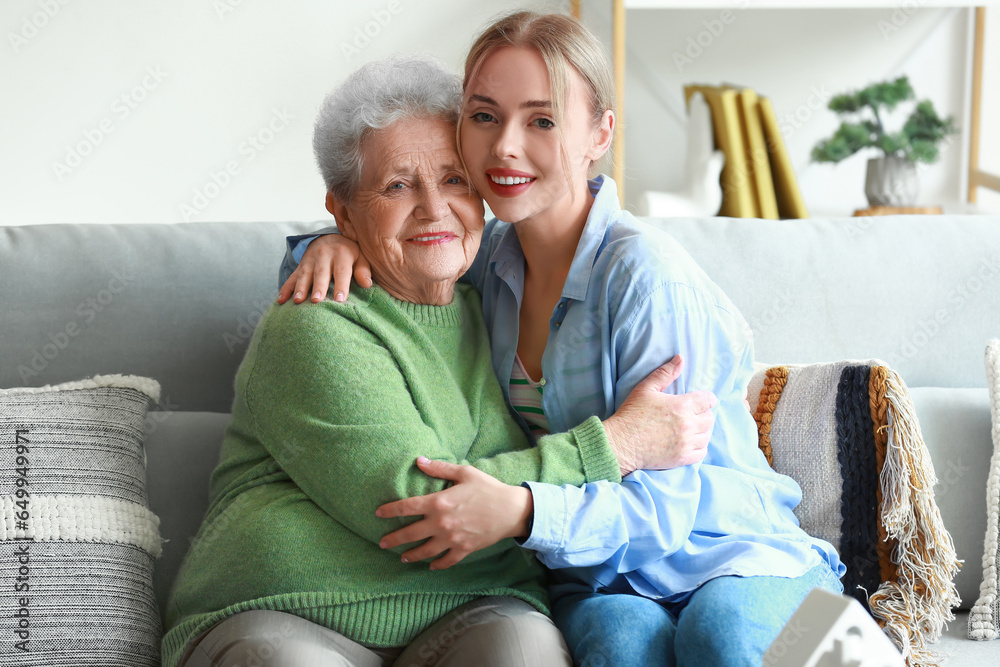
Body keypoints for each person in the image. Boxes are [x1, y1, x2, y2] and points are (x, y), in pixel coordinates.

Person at [279, 11, 845, 667]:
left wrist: (523, 511)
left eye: (541, 120)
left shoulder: (646, 280)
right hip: (603, 573)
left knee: (719, 634)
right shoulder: (484, 263)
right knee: (616, 644)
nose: (505, 147)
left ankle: (851, 644)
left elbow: (665, 514)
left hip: (723, 550)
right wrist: (326, 244)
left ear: (598, 134)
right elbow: (385, 251)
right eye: (484, 116)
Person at [163, 56, 712, 667]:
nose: (433, 207)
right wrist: (613, 445)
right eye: (397, 186)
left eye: (455, 180)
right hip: (288, 613)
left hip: (480, 602)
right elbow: (420, 506)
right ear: (343, 210)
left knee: (530, 650)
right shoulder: (314, 323)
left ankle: (837, 630)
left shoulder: (502, 292)